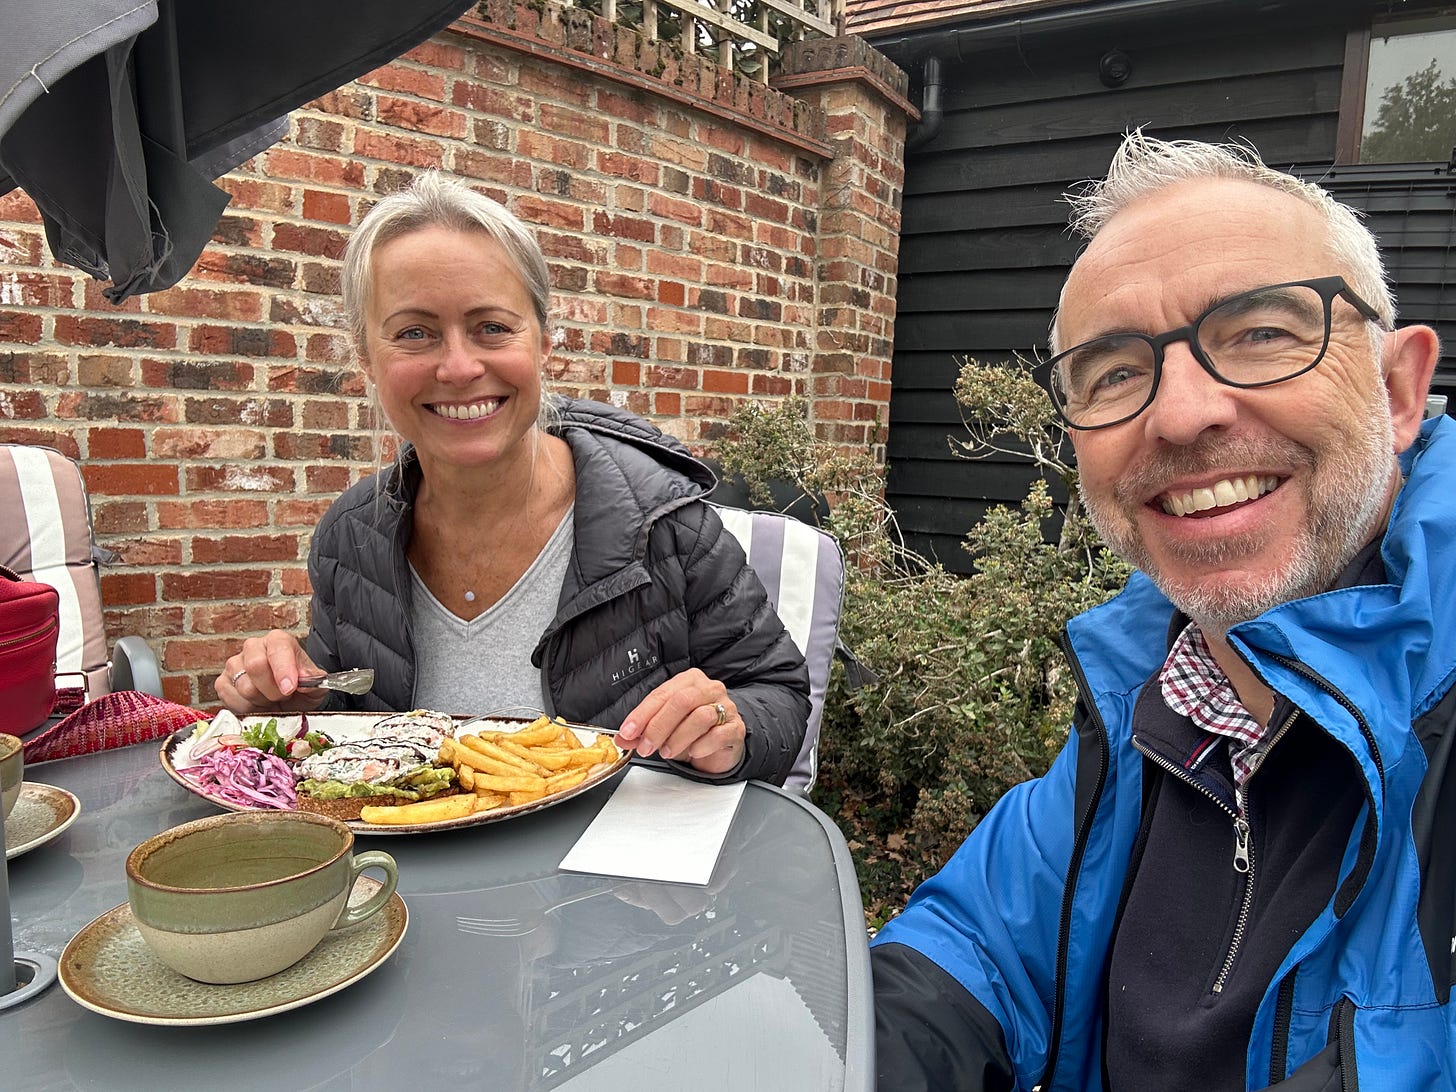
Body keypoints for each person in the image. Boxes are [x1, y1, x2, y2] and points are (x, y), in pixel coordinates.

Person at [871, 131, 1448, 1089]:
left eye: (1261, 334)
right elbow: (972, 950)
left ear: (1397, 388)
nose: (1181, 415)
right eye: (1114, 373)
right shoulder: (1157, 682)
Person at [215, 171, 809, 784]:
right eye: (414, 332)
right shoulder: (349, 538)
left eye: (492, 327)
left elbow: (780, 699)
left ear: (546, 342)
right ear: (366, 357)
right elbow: (351, 716)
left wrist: (730, 730)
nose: (458, 366)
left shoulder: (665, 524)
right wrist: (297, 700)